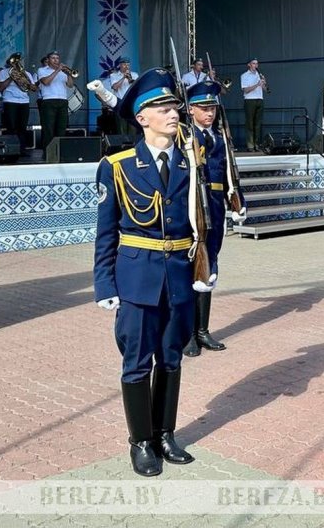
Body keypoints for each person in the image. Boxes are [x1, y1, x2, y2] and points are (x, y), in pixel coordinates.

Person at [93, 68, 215, 477]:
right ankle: (141, 442)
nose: (173, 112)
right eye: (162, 107)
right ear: (141, 117)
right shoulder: (117, 166)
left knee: (171, 359)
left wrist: (206, 265)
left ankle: (165, 434)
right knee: (136, 363)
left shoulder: (190, 162)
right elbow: (106, 232)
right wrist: (104, 284)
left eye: (174, 105)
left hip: (179, 277)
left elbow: (204, 218)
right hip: (137, 279)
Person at [183, 81, 229, 357]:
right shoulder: (184, 137)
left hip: (215, 208)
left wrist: (236, 201)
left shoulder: (219, 138)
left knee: (209, 266)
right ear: (190, 110)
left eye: (212, 107)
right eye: (203, 108)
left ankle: (202, 330)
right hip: (194, 208)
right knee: (192, 269)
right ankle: (187, 333)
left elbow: (228, 174)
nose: (209, 112)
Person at [37, 51, 76, 154]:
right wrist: (57, 70)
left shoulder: (63, 72)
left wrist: (69, 75)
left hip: (63, 100)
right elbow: (46, 82)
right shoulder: (42, 70)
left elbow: (70, 85)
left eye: (57, 58)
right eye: (53, 58)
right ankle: (49, 152)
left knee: (61, 128)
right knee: (48, 128)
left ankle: (60, 152)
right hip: (49, 101)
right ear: (48, 60)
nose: (56, 60)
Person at [0, 52, 37, 153]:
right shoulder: (4, 72)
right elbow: (1, 87)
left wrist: (27, 83)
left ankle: (22, 150)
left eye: (18, 61)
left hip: (24, 102)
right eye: (15, 62)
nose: (17, 63)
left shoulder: (26, 73)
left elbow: (34, 88)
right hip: (10, 101)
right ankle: (11, 150)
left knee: (22, 127)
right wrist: (12, 77)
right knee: (11, 127)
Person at [239, 57, 267, 152]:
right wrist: (257, 84)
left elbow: (265, 90)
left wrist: (264, 84)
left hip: (259, 99)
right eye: (254, 63)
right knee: (250, 123)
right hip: (250, 100)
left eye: (257, 64)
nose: (256, 65)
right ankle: (250, 145)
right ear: (249, 65)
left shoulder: (259, 75)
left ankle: (256, 144)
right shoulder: (244, 76)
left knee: (258, 123)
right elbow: (245, 90)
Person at [107, 58, 137, 135]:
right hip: (120, 103)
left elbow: (137, 87)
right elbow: (114, 87)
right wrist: (124, 77)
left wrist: (130, 78)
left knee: (133, 128)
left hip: (131, 104)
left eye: (128, 65)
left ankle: (133, 145)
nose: (126, 66)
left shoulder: (134, 75)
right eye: (124, 64)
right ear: (120, 65)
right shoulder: (114, 75)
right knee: (121, 128)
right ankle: (122, 146)